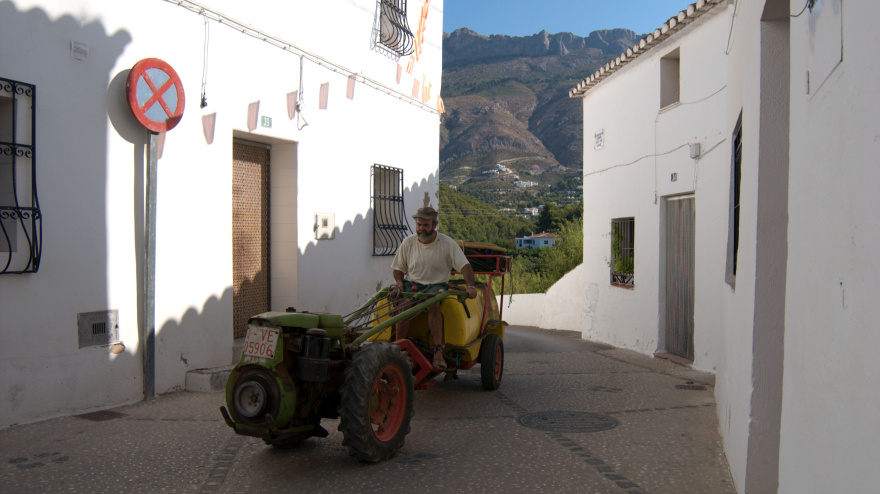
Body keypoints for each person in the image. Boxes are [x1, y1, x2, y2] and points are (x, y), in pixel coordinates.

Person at [391, 206, 477, 371]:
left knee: (433, 303)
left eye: (425, 225)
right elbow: (398, 268)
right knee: (403, 305)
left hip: (436, 286)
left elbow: (465, 266)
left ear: (434, 224)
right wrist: (400, 283)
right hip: (412, 284)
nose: (421, 229)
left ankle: (438, 351)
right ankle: (399, 348)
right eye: (419, 225)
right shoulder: (408, 242)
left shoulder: (447, 243)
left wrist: (471, 286)